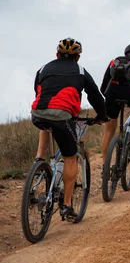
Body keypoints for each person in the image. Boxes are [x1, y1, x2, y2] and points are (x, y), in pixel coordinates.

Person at [31, 38, 108, 221]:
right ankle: (66, 205)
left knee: (46, 124)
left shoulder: (43, 69)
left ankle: (39, 161)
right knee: (70, 157)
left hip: (37, 112)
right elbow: (96, 96)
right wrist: (102, 116)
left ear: (57, 54)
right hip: (63, 116)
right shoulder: (80, 71)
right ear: (78, 57)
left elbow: (38, 90)